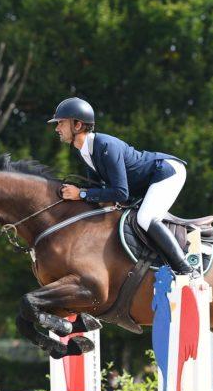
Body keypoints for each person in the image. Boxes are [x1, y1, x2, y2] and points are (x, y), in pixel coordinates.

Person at [50, 97, 193, 274]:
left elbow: (120, 193)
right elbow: (99, 189)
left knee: (145, 218)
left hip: (167, 171)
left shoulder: (105, 146)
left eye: (61, 123)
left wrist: (81, 194)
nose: (57, 128)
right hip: (147, 181)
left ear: (77, 125)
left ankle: (186, 269)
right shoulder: (85, 151)